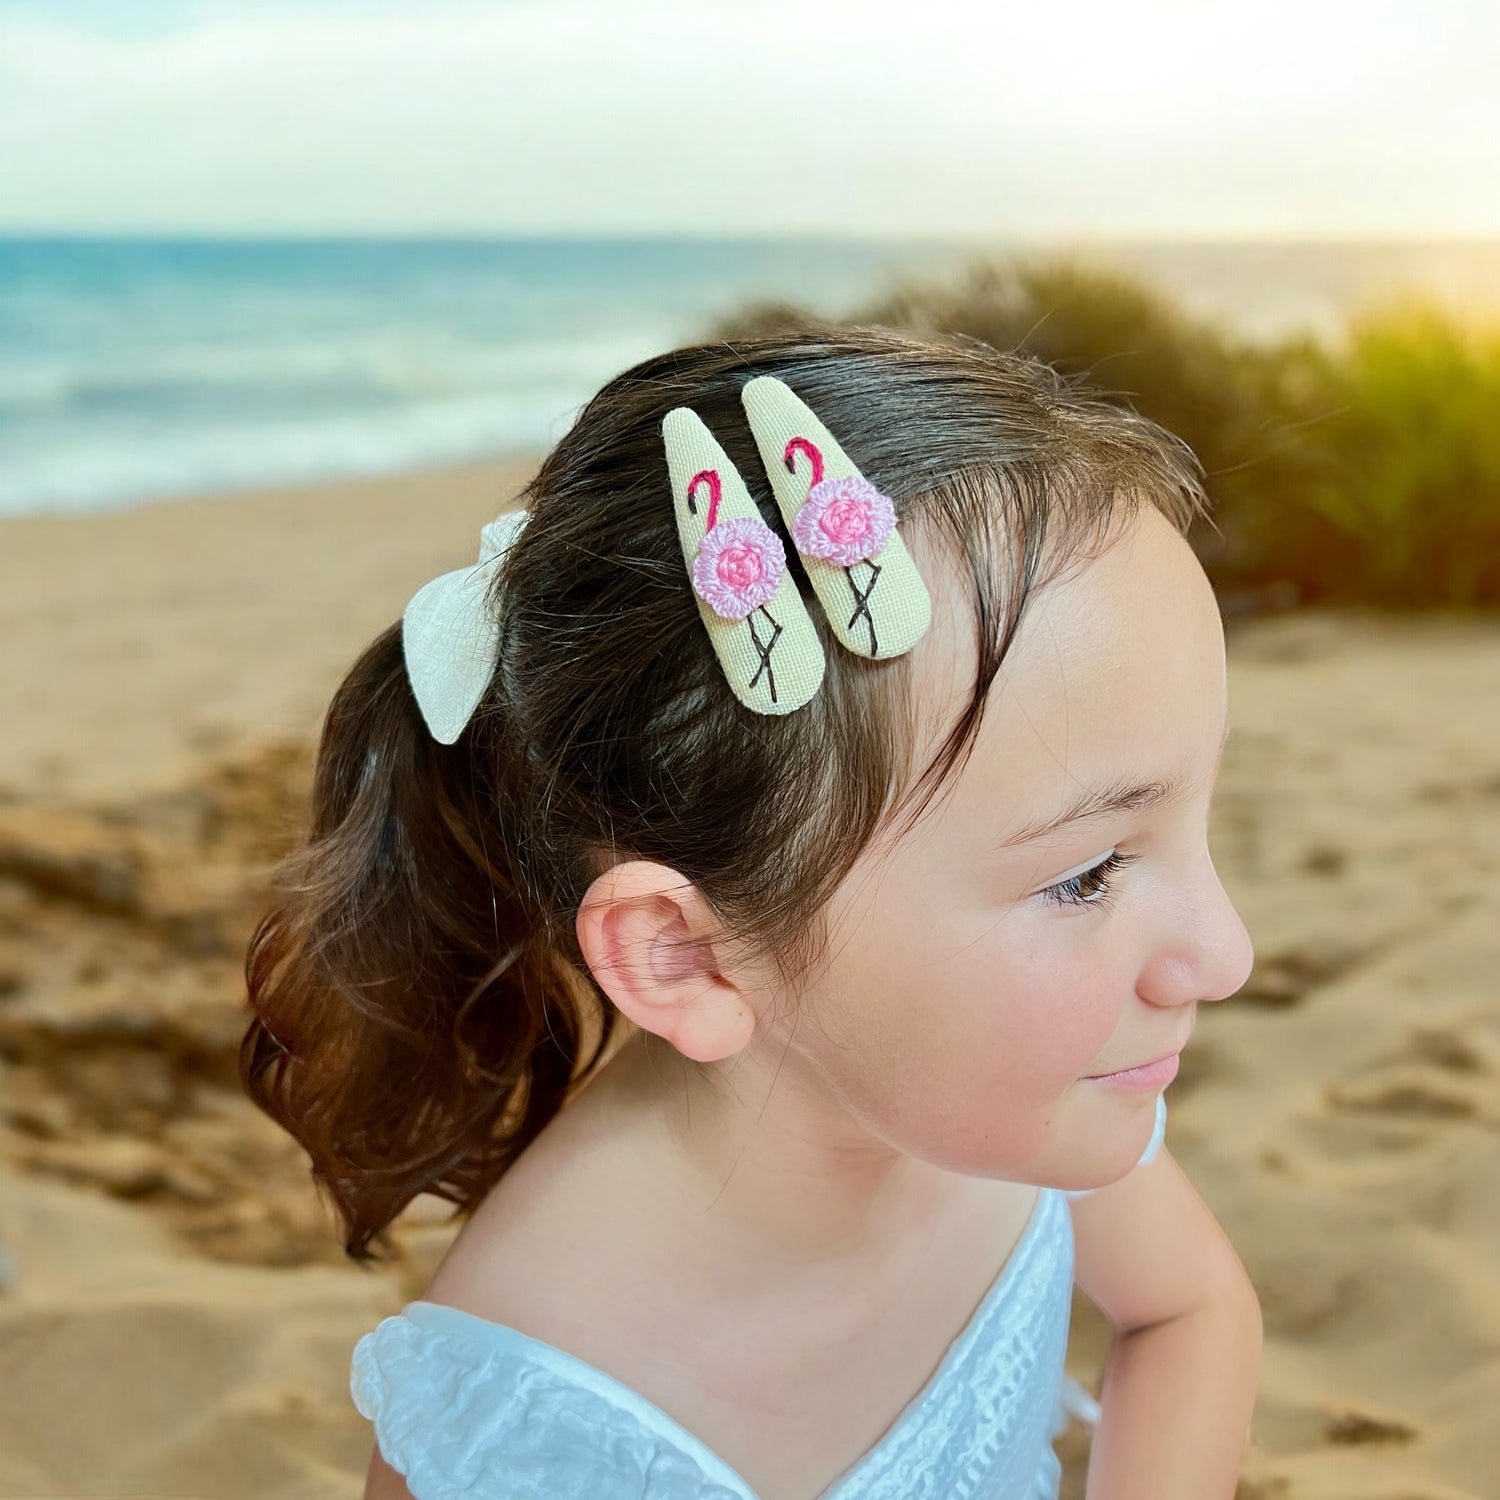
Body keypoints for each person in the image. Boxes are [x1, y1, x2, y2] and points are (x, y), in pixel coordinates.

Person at [241, 325, 1263, 1499]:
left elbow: (1188, 1308)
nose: (1224, 953)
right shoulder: (529, 1421)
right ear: (684, 957)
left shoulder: (1022, 1107)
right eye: (1087, 873)